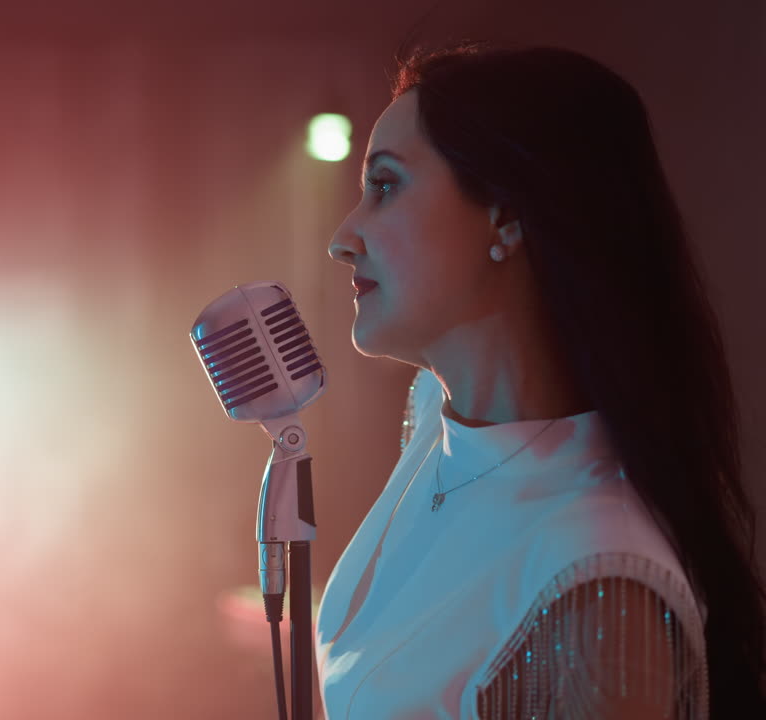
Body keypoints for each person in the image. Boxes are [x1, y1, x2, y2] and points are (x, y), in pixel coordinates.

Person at [319, 39, 766, 719]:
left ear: (504, 216)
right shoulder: (436, 419)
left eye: (385, 186)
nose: (342, 238)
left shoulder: (599, 579)